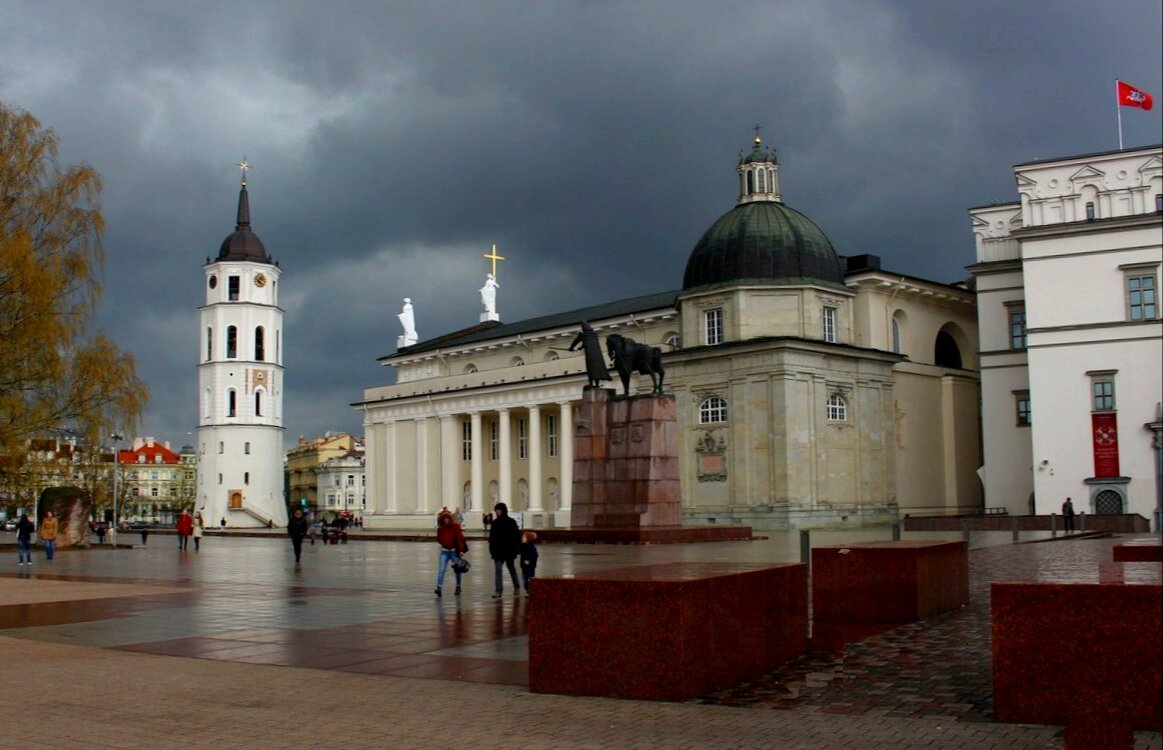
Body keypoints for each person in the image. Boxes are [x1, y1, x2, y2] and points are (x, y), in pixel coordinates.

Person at [488, 502, 521, 598]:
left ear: (503, 510)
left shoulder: (511, 522)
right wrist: (492, 549)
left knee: (511, 568)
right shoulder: (495, 523)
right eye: (496, 510)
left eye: (498, 510)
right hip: (498, 551)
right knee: (498, 569)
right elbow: (492, 538)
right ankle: (498, 590)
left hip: (509, 550)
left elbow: (516, 536)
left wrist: (516, 548)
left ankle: (516, 584)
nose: (497, 512)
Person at [434, 509, 469, 598]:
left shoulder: (455, 527)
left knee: (457, 569)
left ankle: (458, 586)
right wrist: (444, 543)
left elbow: (459, 539)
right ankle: (439, 587)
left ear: (450, 519)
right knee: (441, 569)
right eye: (444, 518)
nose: (446, 520)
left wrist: (461, 550)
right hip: (444, 551)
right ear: (442, 519)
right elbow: (438, 539)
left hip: (454, 551)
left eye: (447, 518)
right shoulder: (441, 529)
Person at [569, 320, 612, 387]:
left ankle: (591, 383)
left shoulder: (583, 335)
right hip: (597, 354)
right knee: (597, 368)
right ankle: (597, 384)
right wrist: (581, 347)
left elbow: (576, 342)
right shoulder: (594, 334)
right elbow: (588, 342)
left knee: (590, 368)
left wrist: (571, 348)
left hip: (590, 355)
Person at [518, 530, 539, 596]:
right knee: (525, 579)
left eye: (524, 537)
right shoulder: (523, 545)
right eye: (522, 537)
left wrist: (529, 560)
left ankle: (529, 591)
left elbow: (535, 555)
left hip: (530, 566)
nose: (522, 538)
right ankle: (528, 589)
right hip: (524, 566)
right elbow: (519, 551)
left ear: (528, 539)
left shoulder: (531, 546)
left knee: (529, 578)